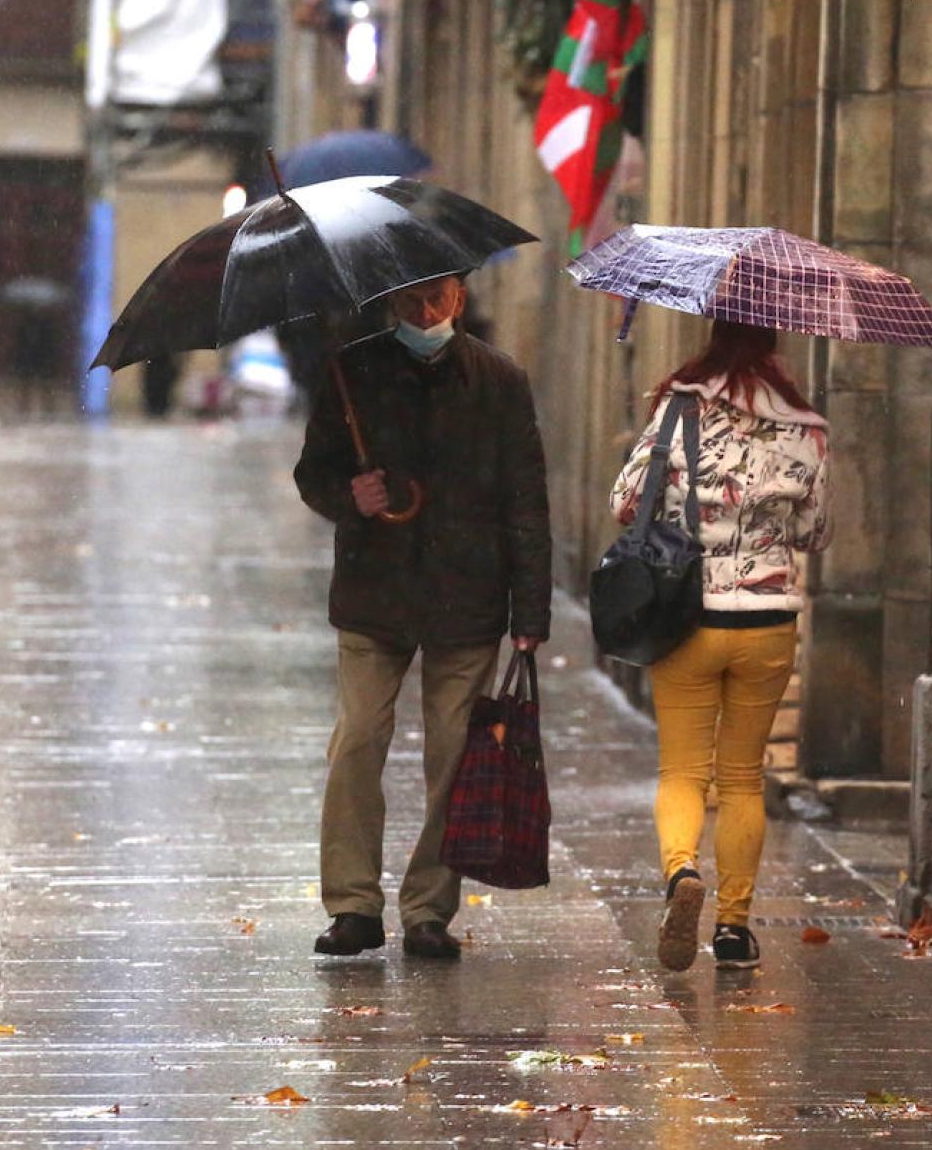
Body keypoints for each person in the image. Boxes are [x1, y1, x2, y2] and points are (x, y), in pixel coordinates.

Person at [293, 274, 552, 960]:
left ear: (460, 300)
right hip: (374, 595)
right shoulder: (353, 371)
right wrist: (354, 496)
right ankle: (353, 905)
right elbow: (311, 474)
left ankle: (429, 909)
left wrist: (531, 610)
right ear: (390, 303)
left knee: (454, 754)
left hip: (468, 597)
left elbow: (526, 499)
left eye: (438, 298)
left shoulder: (499, 381)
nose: (425, 312)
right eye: (411, 300)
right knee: (357, 740)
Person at [609, 320, 832, 972]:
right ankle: (734, 928)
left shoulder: (680, 404)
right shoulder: (804, 425)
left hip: (686, 617)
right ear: (774, 343)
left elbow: (627, 502)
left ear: (713, 333)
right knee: (742, 777)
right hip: (765, 624)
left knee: (682, 772)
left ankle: (682, 874)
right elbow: (816, 532)